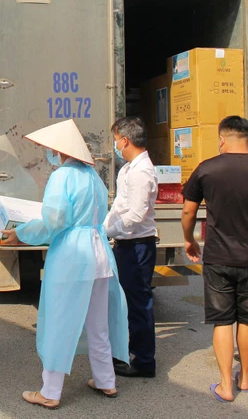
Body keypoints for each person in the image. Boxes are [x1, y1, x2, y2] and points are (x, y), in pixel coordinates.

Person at [1, 119, 129, 410]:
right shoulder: (93, 176)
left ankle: (50, 391)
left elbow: (54, 221)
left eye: (49, 149)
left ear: (60, 151)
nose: (48, 153)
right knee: (98, 324)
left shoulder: (62, 177)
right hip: (99, 254)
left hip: (73, 256)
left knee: (59, 321)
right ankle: (106, 381)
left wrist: (20, 233)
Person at [181, 116, 248, 403]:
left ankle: (224, 385)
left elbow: (188, 212)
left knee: (222, 321)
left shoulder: (207, 169)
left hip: (218, 256)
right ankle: (244, 378)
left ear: (221, 139)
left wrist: (189, 239)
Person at [104, 117, 158, 378]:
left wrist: (108, 231)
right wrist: (104, 227)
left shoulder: (141, 172)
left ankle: (145, 361)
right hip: (125, 244)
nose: (115, 146)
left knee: (139, 303)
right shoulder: (128, 169)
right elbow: (118, 207)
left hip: (138, 246)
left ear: (125, 141)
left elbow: (135, 215)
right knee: (124, 301)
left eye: (116, 141)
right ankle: (130, 350)